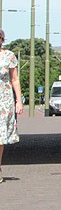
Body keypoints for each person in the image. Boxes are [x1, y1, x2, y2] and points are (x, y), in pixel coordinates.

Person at [0, 29, 24, 183]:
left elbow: (15, 79)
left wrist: (19, 100)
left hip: (3, 100)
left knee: (0, 136)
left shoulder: (9, 56)